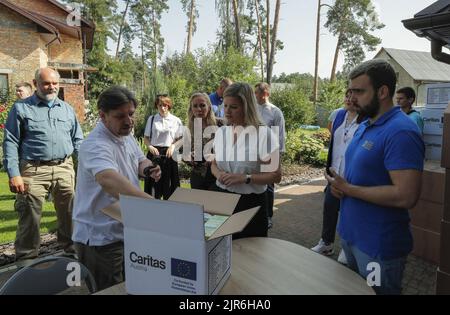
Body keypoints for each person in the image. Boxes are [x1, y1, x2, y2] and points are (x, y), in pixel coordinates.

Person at [325, 59, 425, 295]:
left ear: (382, 92)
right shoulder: (364, 125)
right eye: (350, 91)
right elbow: (360, 177)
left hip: (378, 248)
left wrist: (348, 189)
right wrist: (340, 188)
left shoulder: (401, 132)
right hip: (351, 238)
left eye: (359, 91)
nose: (352, 97)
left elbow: (406, 195)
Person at [72, 86, 161, 290]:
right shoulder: (95, 144)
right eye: (120, 116)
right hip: (99, 237)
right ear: (103, 116)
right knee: (110, 290)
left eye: (131, 114)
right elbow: (109, 181)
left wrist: (149, 169)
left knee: (131, 286)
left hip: (125, 229)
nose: (129, 121)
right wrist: (152, 205)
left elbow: (140, 160)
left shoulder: (126, 135)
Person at [2, 68, 83, 261]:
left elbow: (78, 140)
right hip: (33, 170)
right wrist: (14, 173)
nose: (51, 87)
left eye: (55, 83)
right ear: (36, 83)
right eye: (47, 83)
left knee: (69, 214)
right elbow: (11, 142)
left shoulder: (66, 109)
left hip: (64, 168)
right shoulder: (21, 108)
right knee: (29, 217)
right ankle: (26, 262)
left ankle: (71, 256)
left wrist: (90, 168)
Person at [211, 82, 281, 239]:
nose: (227, 111)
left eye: (234, 107)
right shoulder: (221, 132)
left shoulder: (264, 135)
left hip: (250, 206)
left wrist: (245, 178)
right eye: (225, 105)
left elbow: (276, 175)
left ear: (247, 107)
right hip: (221, 200)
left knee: (251, 257)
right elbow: (214, 164)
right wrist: (219, 175)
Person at [311, 90, 365, 265]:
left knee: (348, 213)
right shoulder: (340, 115)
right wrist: (327, 170)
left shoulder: (365, 119)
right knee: (329, 208)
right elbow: (334, 144)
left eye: (353, 96)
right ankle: (326, 243)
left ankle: (346, 247)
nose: (349, 99)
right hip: (334, 174)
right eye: (347, 96)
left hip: (351, 176)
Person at [254, 82, 286, 229]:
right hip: (253, 153)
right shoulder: (253, 110)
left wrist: (277, 156)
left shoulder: (275, 112)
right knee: (255, 183)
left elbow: (279, 136)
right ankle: (256, 213)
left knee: (268, 187)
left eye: (256, 93)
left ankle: (268, 216)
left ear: (265, 93)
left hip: (269, 154)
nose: (254, 96)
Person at [143, 94, 182, 200]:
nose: (163, 108)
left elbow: (181, 139)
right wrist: (150, 146)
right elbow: (146, 138)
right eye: (160, 105)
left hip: (169, 154)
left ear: (169, 106)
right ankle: (152, 209)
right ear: (157, 106)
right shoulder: (151, 119)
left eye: (165, 105)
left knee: (169, 184)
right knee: (152, 184)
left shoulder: (176, 120)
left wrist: (173, 146)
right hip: (154, 153)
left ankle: (171, 210)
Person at [186, 92, 220, 190]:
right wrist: (188, 157)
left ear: (209, 107)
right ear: (191, 109)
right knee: (198, 205)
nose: (199, 109)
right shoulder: (190, 128)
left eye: (202, 105)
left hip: (217, 176)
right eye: (195, 106)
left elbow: (229, 150)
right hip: (197, 176)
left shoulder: (220, 125)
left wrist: (214, 157)